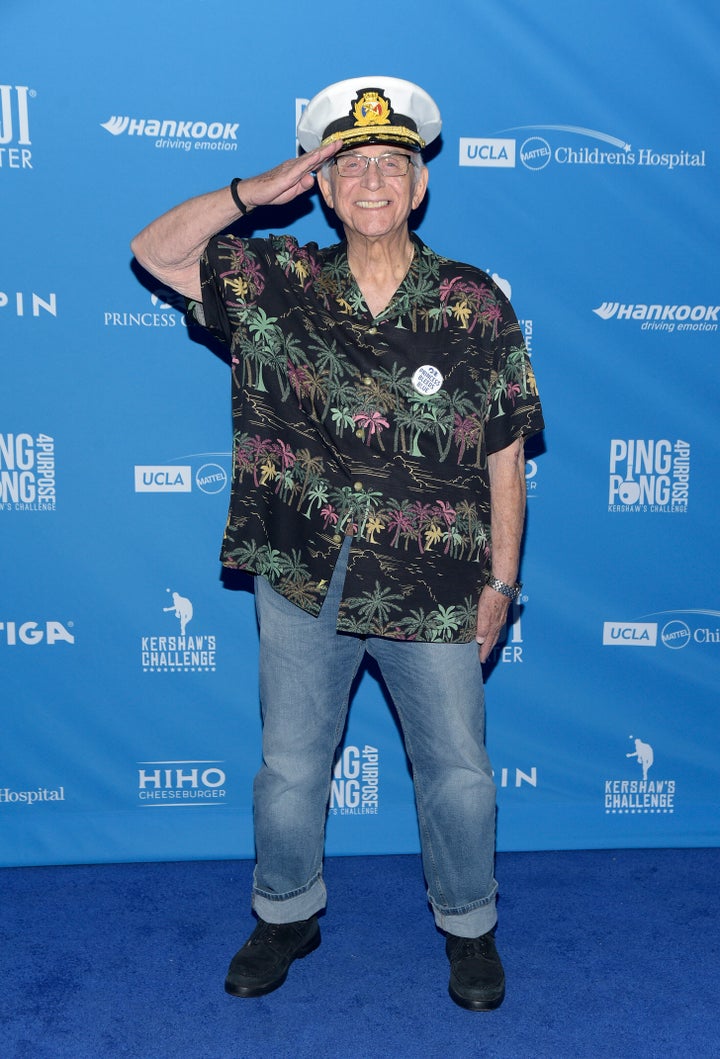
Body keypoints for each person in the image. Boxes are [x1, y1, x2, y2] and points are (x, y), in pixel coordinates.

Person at [131, 75, 544, 1012]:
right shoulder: (274, 282)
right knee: (289, 770)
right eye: (348, 164)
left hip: (436, 586)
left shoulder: (475, 303)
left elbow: (507, 457)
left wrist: (501, 583)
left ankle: (470, 927)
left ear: (419, 186)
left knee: (460, 777)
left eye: (390, 164)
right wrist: (251, 193)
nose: (370, 180)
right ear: (322, 187)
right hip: (302, 577)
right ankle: (286, 912)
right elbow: (154, 253)